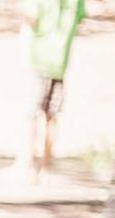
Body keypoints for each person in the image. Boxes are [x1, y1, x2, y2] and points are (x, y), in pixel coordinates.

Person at [15, 0, 87, 181]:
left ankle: (27, 163)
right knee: (52, 115)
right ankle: (46, 165)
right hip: (60, 61)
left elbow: (31, 15)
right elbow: (80, 17)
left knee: (31, 113)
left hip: (38, 58)